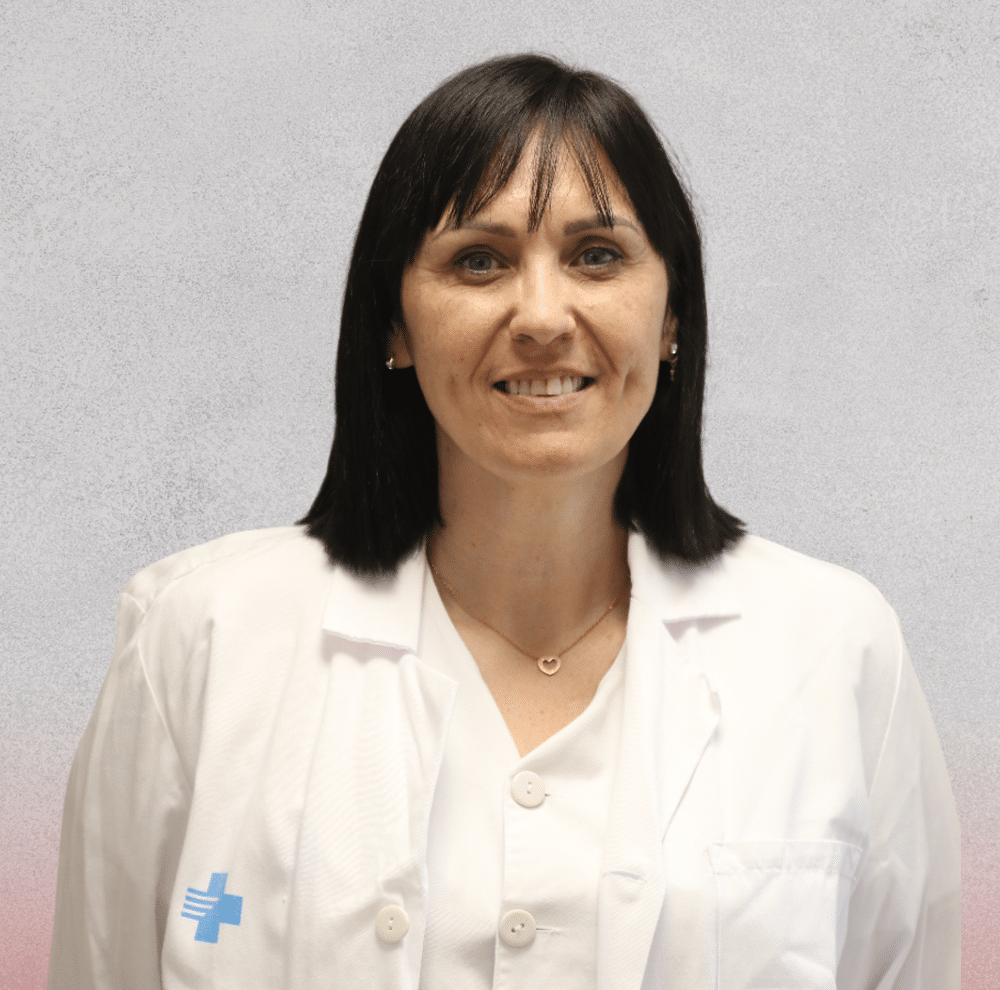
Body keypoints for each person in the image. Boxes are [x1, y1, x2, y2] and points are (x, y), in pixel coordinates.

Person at [48, 53, 960, 989]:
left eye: (596, 255)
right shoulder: (203, 639)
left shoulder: (836, 649)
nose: (542, 318)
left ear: (672, 316)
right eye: (478, 261)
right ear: (393, 325)